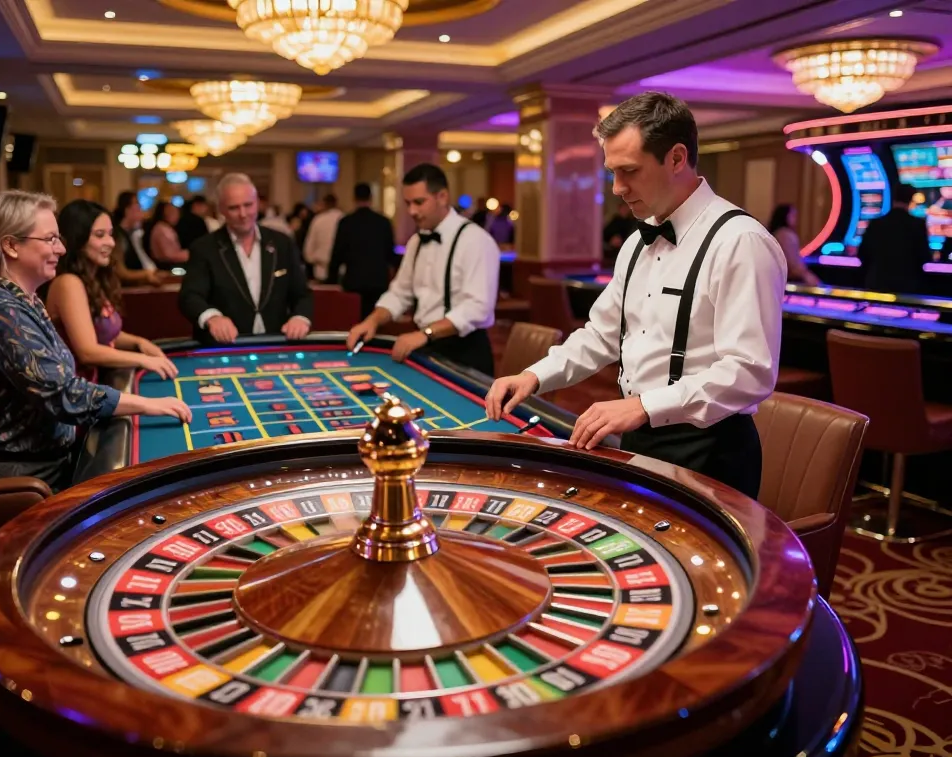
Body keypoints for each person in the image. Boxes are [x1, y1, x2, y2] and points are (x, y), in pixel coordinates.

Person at [485, 91, 786, 499]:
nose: (616, 188)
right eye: (612, 171)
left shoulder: (740, 241)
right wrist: (534, 376)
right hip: (640, 436)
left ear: (677, 158)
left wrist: (644, 406)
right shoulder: (636, 243)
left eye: (629, 171)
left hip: (711, 449)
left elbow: (750, 372)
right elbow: (602, 335)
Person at [0, 190, 191, 492]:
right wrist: (147, 404)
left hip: (40, 463)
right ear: (10, 245)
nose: (61, 249)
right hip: (17, 481)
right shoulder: (0, 310)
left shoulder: (21, 300)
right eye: (49, 239)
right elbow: (64, 395)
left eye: (59, 238)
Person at [346, 163, 501, 375]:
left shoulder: (475, 240)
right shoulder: (416, 242)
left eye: (419, 202)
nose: (412, 211)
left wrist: (426, 333)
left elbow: (478, 309)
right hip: (425, 345)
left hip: (465, 351)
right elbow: (400, 293)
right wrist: (371, 321)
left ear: (443, 197)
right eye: (408, 203)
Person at [46, 200, 178, 382]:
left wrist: (139, 342)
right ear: (78, 239)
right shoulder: (68, 283)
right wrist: (144, 360)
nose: (110, 242)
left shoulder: (94, 279)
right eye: (99, 235)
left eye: (110, 234)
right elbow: (88, 352)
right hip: (74, 392)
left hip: (94, 382)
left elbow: (104, 332)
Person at [179, 173, 314, 345]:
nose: (243, 214)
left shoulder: (282, 243)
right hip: (225, 346)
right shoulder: (204, 248)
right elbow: (190, 296)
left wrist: (300, 318)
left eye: (248, 205)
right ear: (221, 209)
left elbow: (302, 294)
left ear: (258, 203)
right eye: (234, 208)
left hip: (276, 342)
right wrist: (212, 317)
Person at [328, 182, 395, 317]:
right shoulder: (383, 222)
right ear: (371, 198)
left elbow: (337, 254)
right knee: (375, 321)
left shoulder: (346, 222)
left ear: (354, 198)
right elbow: (390, 254)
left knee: (353, 320)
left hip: (354, 281)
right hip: (378, 282)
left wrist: (332, 280)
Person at [858, 183, 932, 295]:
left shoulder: (876, 223)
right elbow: (924, 257)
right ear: (911, 199)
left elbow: (862, 254)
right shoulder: (917, 224)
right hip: (907, 286)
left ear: (893, 198)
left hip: (877, 284)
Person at [111, 191, 162, 286]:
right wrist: (146, 274)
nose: (141, 209)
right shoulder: (117, 236)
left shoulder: (133, 234)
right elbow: (121, 273)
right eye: (138, 205)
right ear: (127, 209)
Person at [768, 204, 820, 286]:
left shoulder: (776, 233)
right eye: (793, 215)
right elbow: (792, 264)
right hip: (790, 280)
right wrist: (807, 276)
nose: (796, 219)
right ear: (785, 216)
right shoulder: (786, 235)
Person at [303, 194, 344, 281]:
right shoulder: (344, 219)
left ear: (324, 204)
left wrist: (312, 259)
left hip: (320, 269)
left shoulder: (318, 220)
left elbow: (308, 248)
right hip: (342, 270)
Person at [142, 201, 188, 269]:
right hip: (167, 267)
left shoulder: (166, 228)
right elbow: (168, 256)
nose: (177, 215)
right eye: (172, 212)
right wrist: (188, 255)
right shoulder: (161, 230)